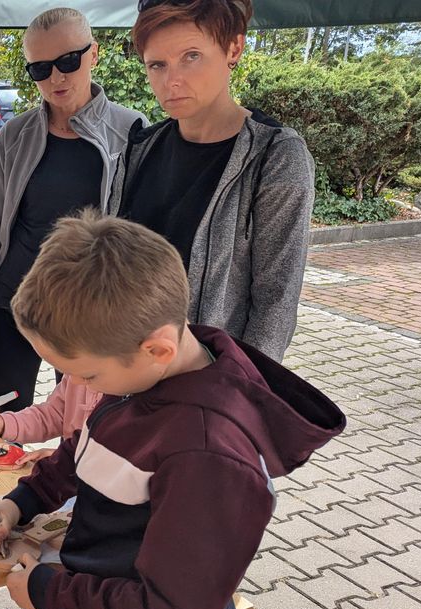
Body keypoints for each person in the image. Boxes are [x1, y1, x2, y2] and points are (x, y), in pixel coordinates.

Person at [0, 210, 344, 609]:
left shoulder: (207, 456)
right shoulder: (145, 372)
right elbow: (87, 449)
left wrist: (47, 589)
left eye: (87, 375)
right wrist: (22, 501)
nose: (73, 385)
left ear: (157, 349)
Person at [0, 8, 148, 414]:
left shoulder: (131, 131)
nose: (56, 78)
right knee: (7, 420)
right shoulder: (14, 135)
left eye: (69, 61)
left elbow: (138, 235)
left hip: (90, 311)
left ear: (94, 54)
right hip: (13, 304)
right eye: (41, 69)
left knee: (81, 425)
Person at [109, 0, 314, 362]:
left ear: (233, 48)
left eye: (191, 56)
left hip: (210, 388)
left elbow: (275, 302)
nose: (172, 80)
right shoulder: (140, 150)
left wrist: (238, 393)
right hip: (127, 376)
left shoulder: (274, 157)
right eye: (157, 64)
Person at [0, 374, 102, 465]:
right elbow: (52, 415)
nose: (74, 378)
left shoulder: (122, 397)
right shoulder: (76, 374)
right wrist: (1, 424)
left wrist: (67, 458)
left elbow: (115, 464)